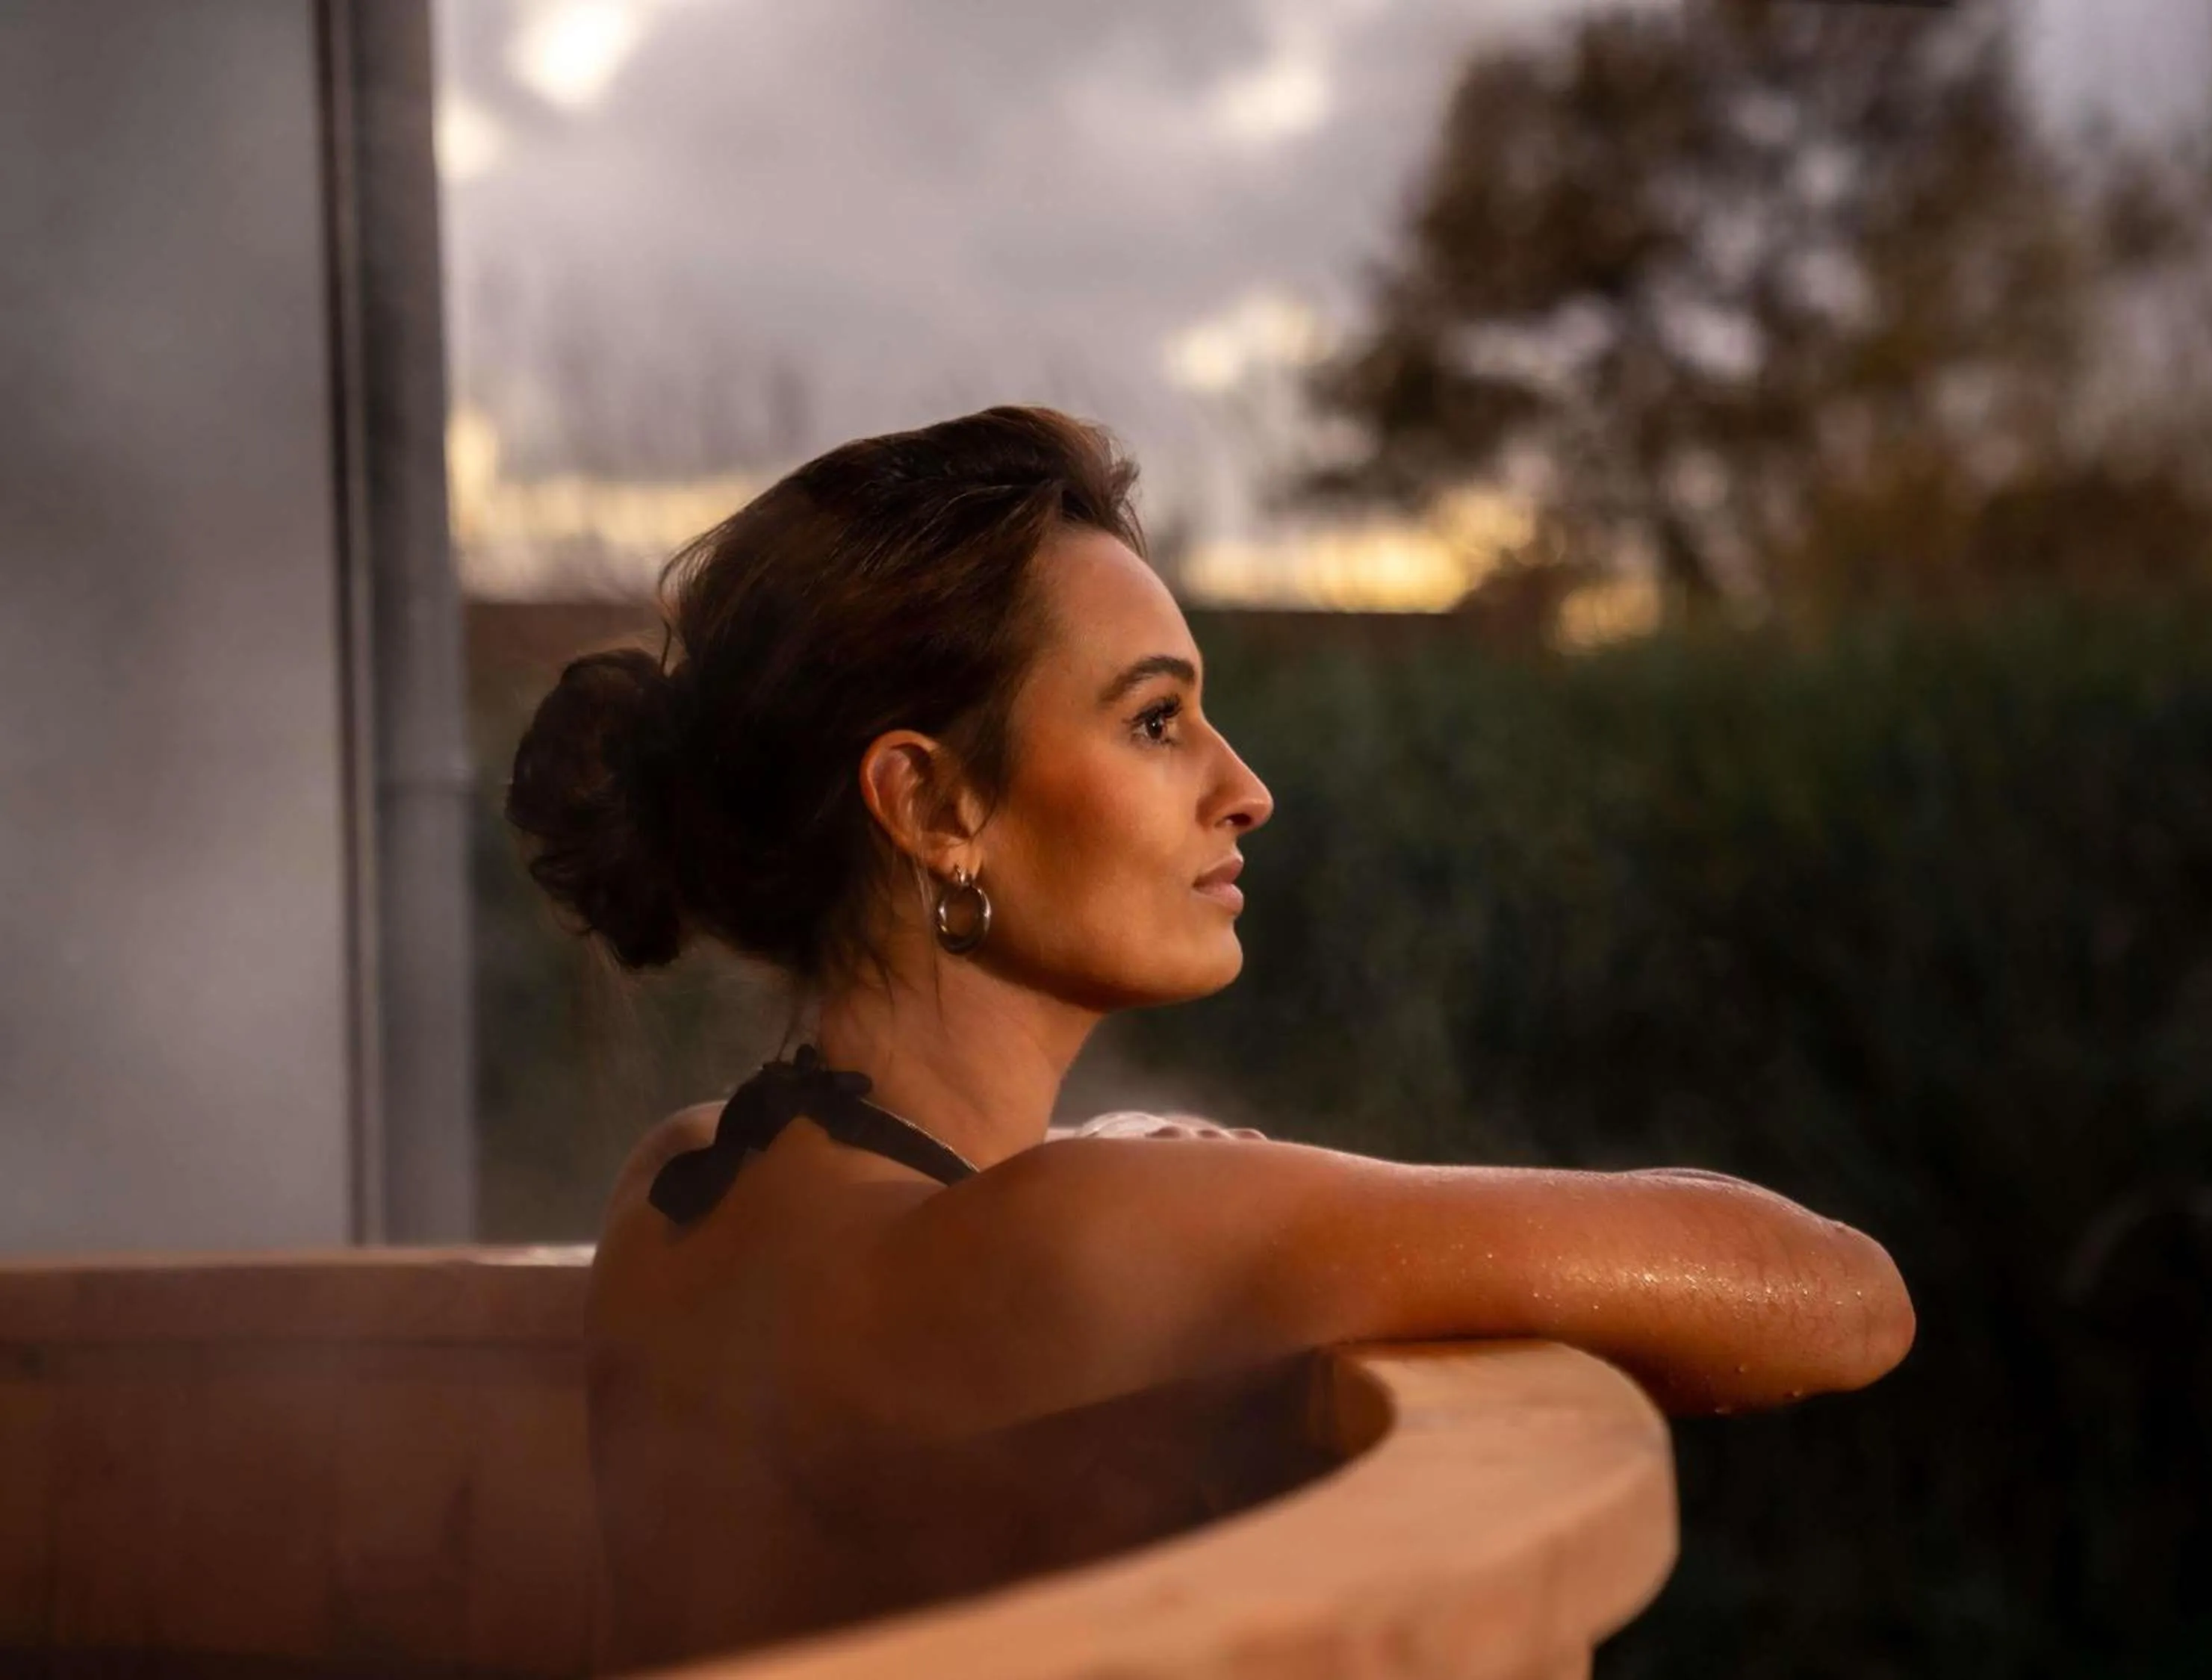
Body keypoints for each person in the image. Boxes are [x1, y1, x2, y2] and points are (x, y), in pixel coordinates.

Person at [504, 405, 1914, 1669]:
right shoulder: (1083, 1229)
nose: (1245, 787)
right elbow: (1839, 1291)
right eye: (1156, 720)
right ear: (933, 807)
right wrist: (1175, 1189)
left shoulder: (674, 1192)